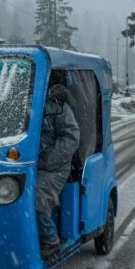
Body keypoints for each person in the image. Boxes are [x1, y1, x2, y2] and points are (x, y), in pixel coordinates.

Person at [36, 81, 80, 259]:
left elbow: (71, 138)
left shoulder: (57, 107)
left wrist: (46, 160)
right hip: (26, 162)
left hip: (54, 168)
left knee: (36, 196)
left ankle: (51, 240)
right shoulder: (21, 102)